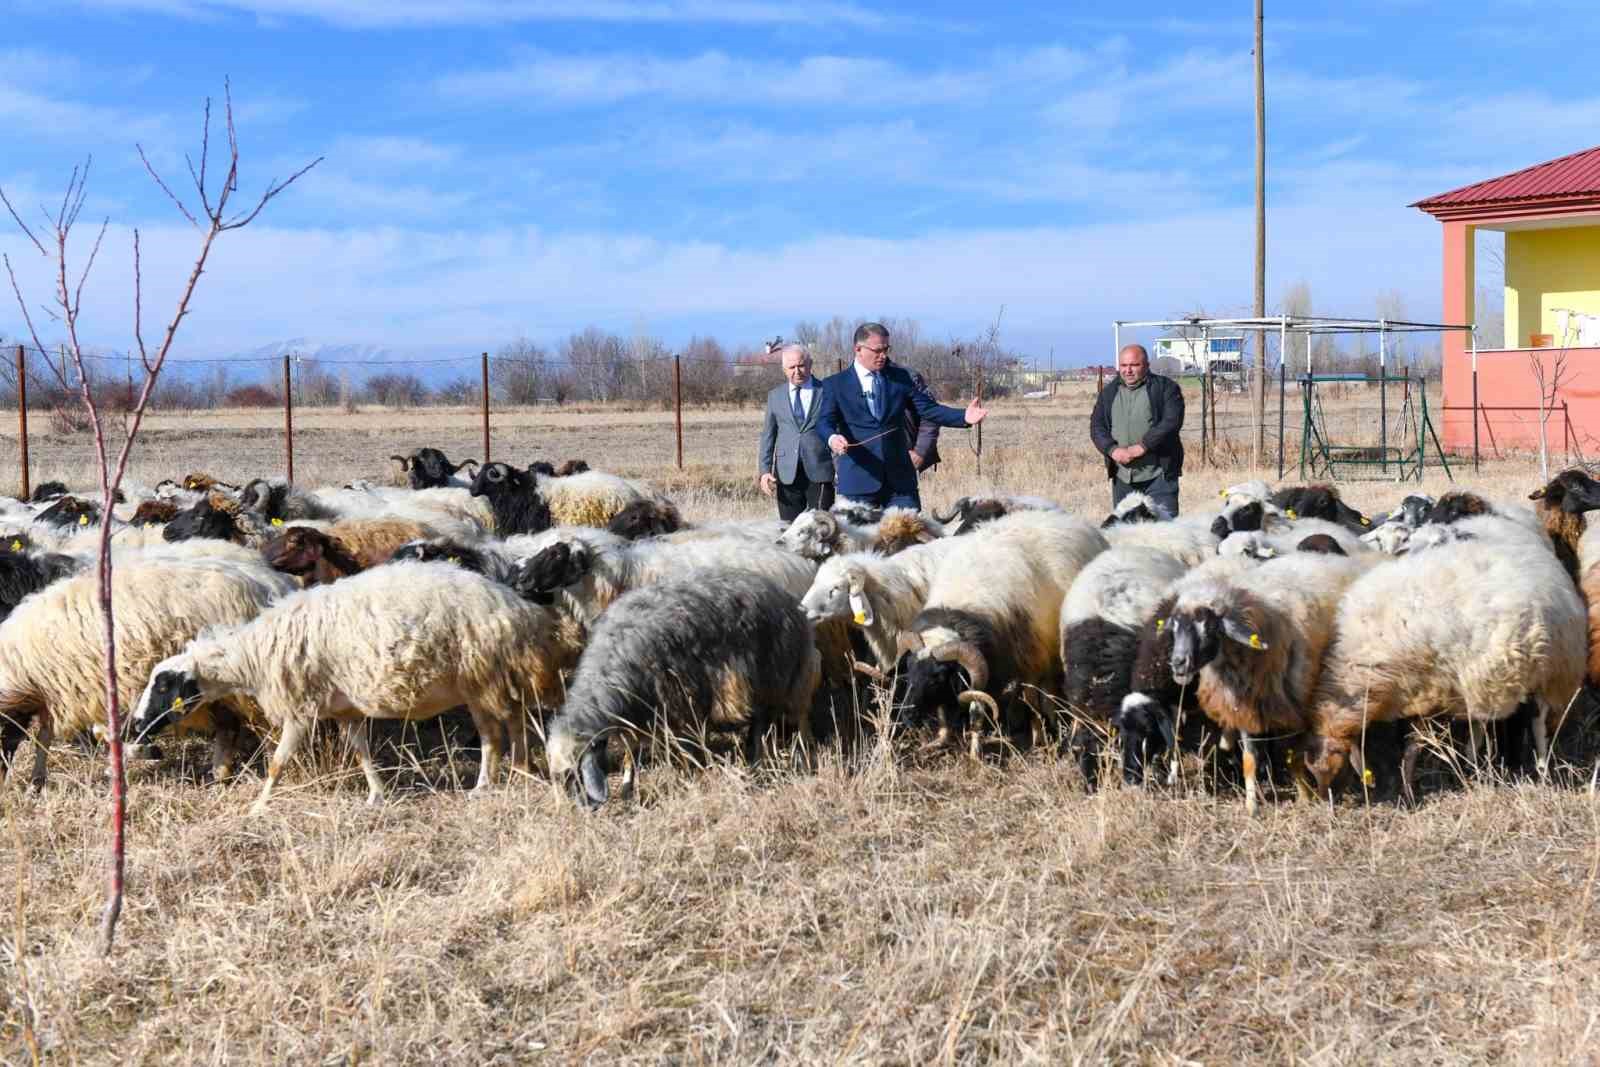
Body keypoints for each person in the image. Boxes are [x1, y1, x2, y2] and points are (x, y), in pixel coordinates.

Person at [816, 323, 986, 511]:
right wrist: (832, 438)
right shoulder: (834, 384)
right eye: (878, 350)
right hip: (858, 481)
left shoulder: (901, 378)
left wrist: (963, 416)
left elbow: (928, 409)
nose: (883, 355)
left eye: (886, 349)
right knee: (860, 540)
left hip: (900, 483)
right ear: (858, 349)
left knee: (910, 538)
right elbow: (824, 422)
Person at [1089, 343, 1185, 516]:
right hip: (1123, 478)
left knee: (1164, 532)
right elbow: (1097, 426)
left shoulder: (1165, 388)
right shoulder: (1109, 392)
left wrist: (1143, 446)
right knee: (1126, 532)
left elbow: (1171, 422)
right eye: (1124, 366)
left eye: (1134, 365)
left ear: (1146, 366)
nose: (1128, 370)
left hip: (1159, 476)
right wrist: (1112, 450)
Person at [758, 344, 835, 521]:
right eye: (791, 367)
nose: (797, 371)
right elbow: (768, 435)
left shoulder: (826, 391)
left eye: (801, 365)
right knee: (789, 529)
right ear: (784, 370)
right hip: (786, 473)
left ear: (810, 364)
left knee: (821, 526)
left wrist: (840, 468)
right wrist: (764, 471)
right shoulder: (775, 396)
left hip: (820, 469)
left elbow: (836, 429)